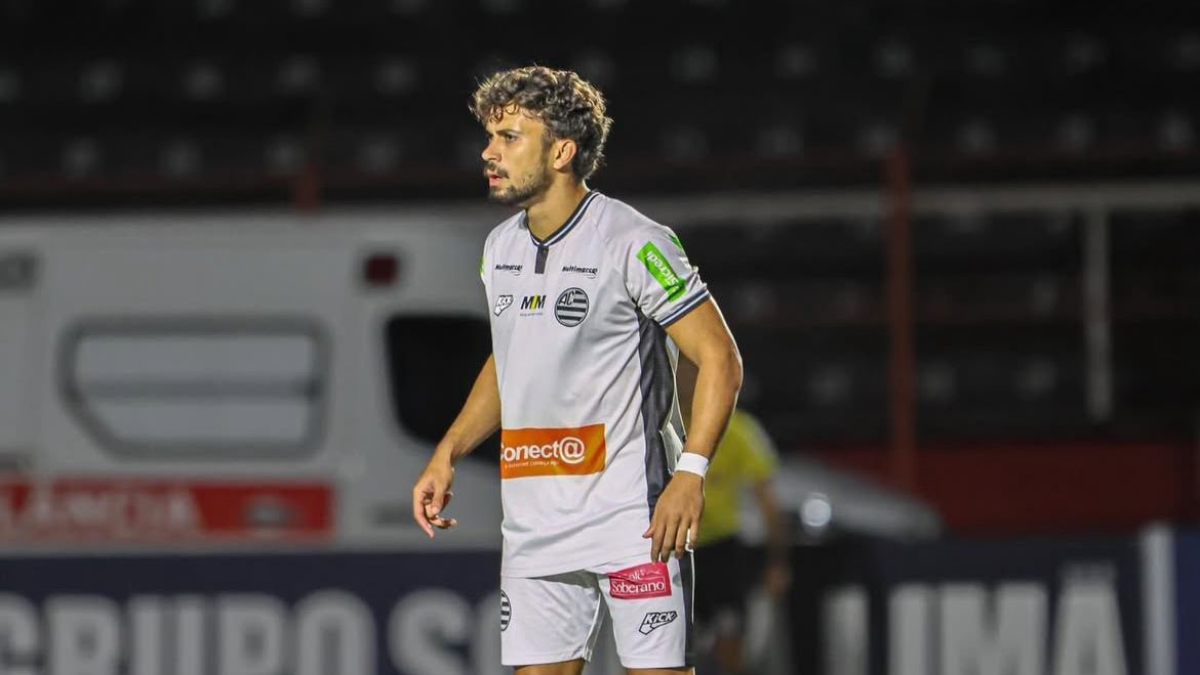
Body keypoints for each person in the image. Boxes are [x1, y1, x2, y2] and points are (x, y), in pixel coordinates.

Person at [410, 66, 743, 675]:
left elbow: (718, 355)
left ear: (562, 151)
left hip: (633, 516)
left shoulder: (634, 241)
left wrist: (691, 473)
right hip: (535, 520)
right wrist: (449, 451)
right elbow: (510, 358)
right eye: (490, 135)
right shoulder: (499, 248)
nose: (489, 151)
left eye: (510, 136)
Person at [679, 360, 791, 675]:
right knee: (669, 648)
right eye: (681, 370)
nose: (687, 379)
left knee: (730, 646)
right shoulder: (662, 425)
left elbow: (769, 502)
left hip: (722, 551)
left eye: (694, 371)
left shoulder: (739, 429)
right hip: (673, 550)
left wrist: (777, 563)